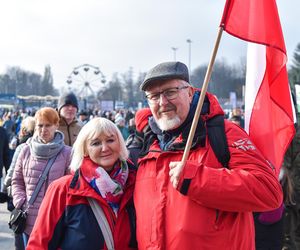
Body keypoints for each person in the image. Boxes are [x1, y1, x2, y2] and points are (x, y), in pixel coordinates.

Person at [134, 61, 283, 249]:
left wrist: (198, 179)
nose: (163, 102)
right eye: (154, 96)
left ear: (189, 93)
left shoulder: (223, 133)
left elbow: (268, 191)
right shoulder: (147, 143)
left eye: (170, 92)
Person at [27, 117, 137, 250]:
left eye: (110, 140)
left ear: (120, 143)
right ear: (84, 150)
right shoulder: (62, 189)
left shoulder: (135, 183)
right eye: (95, 143)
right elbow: (39, 245)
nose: (104, 148)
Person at [11, 107, 72, 248]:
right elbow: (17, 181)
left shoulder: (68, 153)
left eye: (48, 125)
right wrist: (20, 202)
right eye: (40, 125)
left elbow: (71, 186)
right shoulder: (25, 150)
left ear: (56, 125)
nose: (43, 129)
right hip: (29, 220)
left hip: (55, 220)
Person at [3, 116, 35, 250]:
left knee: (20, 236)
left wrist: (5, 190)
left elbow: (11, 173)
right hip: (37, 201)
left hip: (22, 200)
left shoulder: (22, 146)